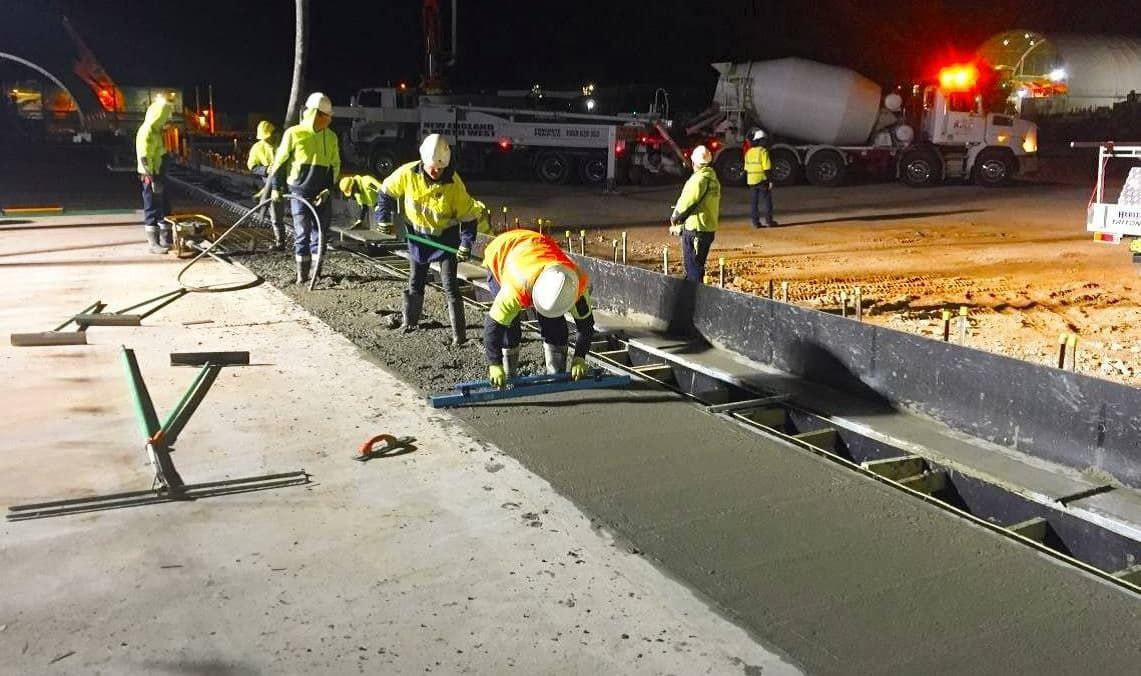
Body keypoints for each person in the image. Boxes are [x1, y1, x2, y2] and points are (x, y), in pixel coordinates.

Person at [375, 134, 480, 345]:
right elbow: (386, 192)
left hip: (445, 241)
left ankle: (459, 336)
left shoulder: (454, 184)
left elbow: (469, 217)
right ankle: (410, 323)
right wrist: (383, 217)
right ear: (423, 161)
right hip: (417, 238)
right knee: (416, 281)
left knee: (450, 286)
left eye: (440, 168)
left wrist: (466, 243)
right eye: (432, 167)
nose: (436, 171)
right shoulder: (408, 173)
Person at [481, 229, 595, 388]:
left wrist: (580, 357)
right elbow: (493, 325)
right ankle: (508, 373)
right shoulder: (515, 287)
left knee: (554, 325)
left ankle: (555, 374)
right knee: (509, 325)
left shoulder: (576, 285)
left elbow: (586, 325)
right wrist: (494, 364)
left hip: (536, 246)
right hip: (502, 252)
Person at [269, 92, 340, 284]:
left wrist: (328, 188)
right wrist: (276, 187)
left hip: (321, 193)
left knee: (321, 234)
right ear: (316, 114)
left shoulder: (331, 137)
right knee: (302, 234)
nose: (330, 120)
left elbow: (335, 165)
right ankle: (302, 275)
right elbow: (280, 162)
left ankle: (316, 273)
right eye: (327, 116)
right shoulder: (294, 134)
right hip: (299, 192)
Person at [669, 145, 721, 283]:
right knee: (697, 264)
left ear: (694, 163)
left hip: (696, 229)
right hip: (707, 227)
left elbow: (688, 200)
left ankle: (694, 297)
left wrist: (676, 216)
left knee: (693, 267)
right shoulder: (713, 179)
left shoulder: (698, 180)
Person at [135, 94, 174, 254]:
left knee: (164, 205)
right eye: (164, 118)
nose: (165, 121)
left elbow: (158, 152)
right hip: (151, 174)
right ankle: (153, 243)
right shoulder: (147, 132)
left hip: (159, 173)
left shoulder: (156, 132)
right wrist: (151, 177)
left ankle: (165, 239)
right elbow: (144, 156)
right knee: (152, 206)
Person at [247, 120, 285, 250]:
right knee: (275, 214)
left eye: (269, 137)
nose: (267, 140)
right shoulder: (258, 148)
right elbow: (252, 167)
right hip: (269, 185)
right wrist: (265, 169)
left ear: (274, 134)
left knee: (298, 213)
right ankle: (280, 243)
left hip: (286, 182)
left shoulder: (283, 144)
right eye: (265, 139)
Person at [745, 129, 776, 227]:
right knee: (767, 201)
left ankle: (755, 223)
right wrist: (770, 180)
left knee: (754, 203)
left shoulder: (749, 152)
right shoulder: (763, 151)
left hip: (751, 180)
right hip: (762, 180)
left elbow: (746, 168)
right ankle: (769, 221)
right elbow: (767, 168)